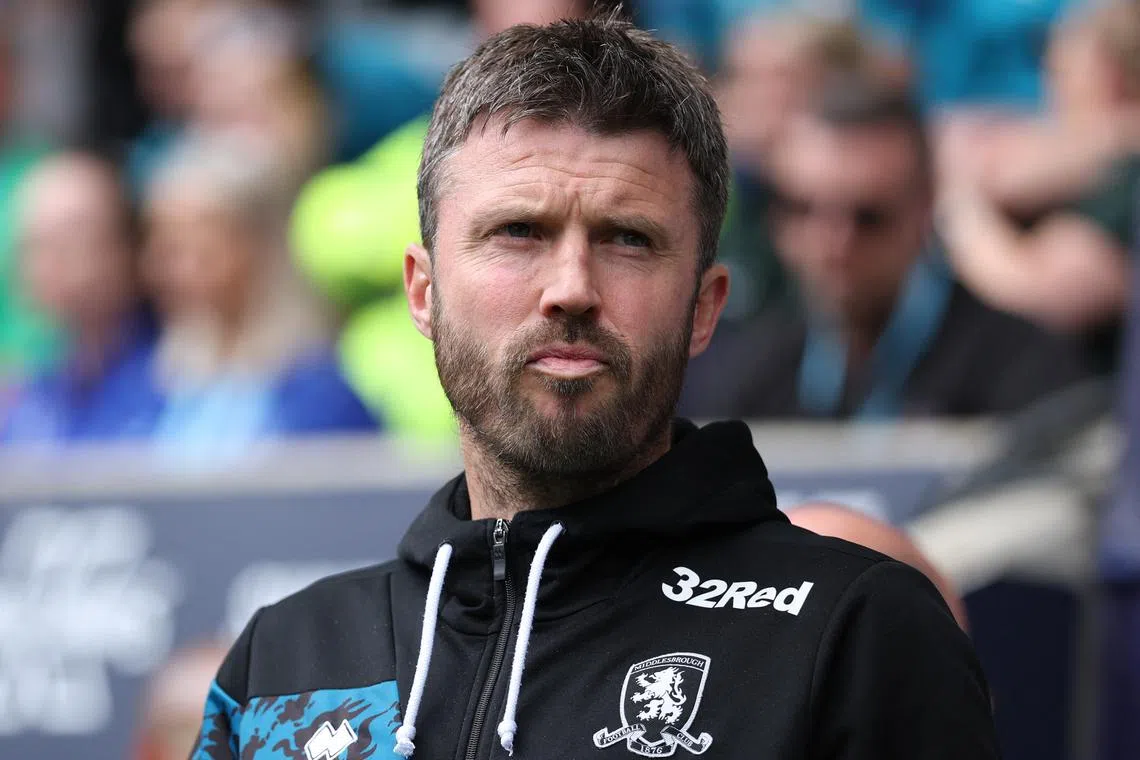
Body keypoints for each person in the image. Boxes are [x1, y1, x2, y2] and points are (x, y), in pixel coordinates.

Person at [191, 17, 999, 760]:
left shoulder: (852, 631)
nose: (570, 287)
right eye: (519, 232)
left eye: (628, 239)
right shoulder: (282, 663)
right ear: (423, 291)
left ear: (704, 308)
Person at [682, 75, 1092, 420]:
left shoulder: (1024, 367)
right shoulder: (750, 373)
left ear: (927, 211)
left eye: (868, 216)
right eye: (803, 210)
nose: (832, 242)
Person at [141, 133, 377, 462]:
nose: (168, 270)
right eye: (165, 248)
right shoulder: (158, 382)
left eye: (197, 249)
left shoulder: (318, 395)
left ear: (258, 245)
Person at [937, 0, 1140, 373]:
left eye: (1054, 47)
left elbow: (1043, 293)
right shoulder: (1094, 155)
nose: (1048, 67)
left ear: (1105, 71)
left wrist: (957, 205)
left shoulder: (1129, 179)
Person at [1, 151, 162, 443]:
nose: (47, 260)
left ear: (127, 246)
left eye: (70, 239)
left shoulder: (175, 378)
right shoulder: (32, 393)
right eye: (34, 242)